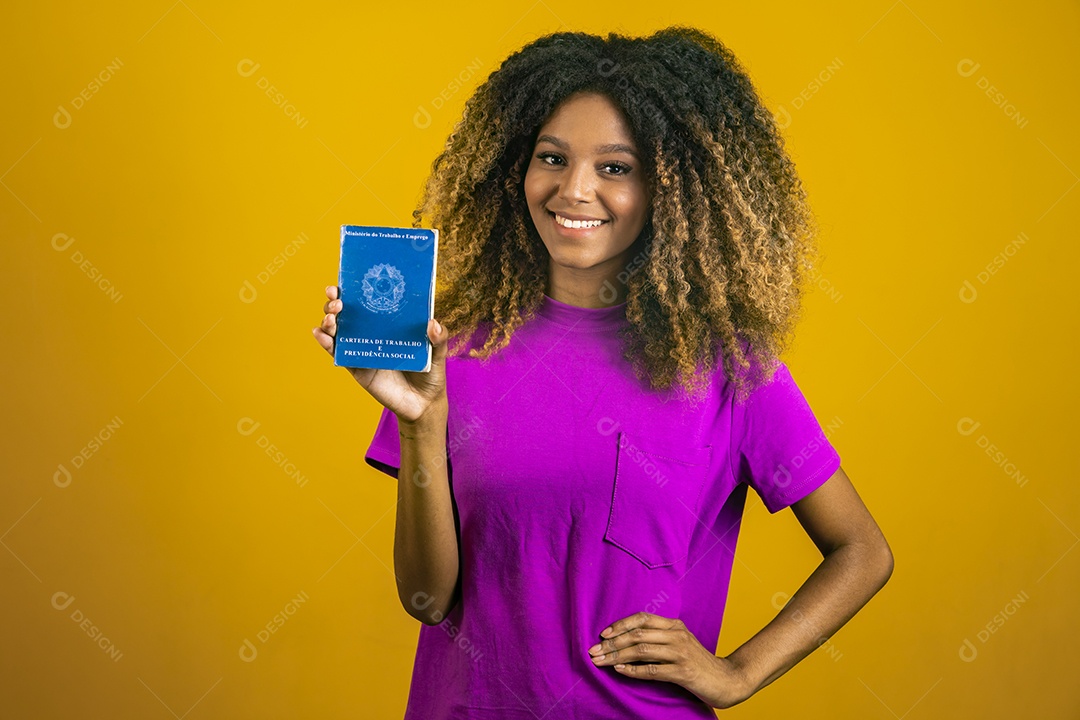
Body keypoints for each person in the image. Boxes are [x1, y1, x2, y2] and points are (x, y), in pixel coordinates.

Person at [312, 25, 893, 719]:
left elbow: (861, 551)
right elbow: (425, 600)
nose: (573, 190)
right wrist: (420, 422)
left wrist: (737, 673)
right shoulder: (448, 351)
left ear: (672, 189)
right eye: (550, 157)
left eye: (615, 167)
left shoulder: (728, 368)